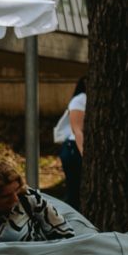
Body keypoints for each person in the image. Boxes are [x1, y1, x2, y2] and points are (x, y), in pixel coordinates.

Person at [53, 79, 86, 207]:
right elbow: (77, 129)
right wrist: (83, 153)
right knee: (74, 191)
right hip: (74, 148)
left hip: (77, 148)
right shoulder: (80, 99)